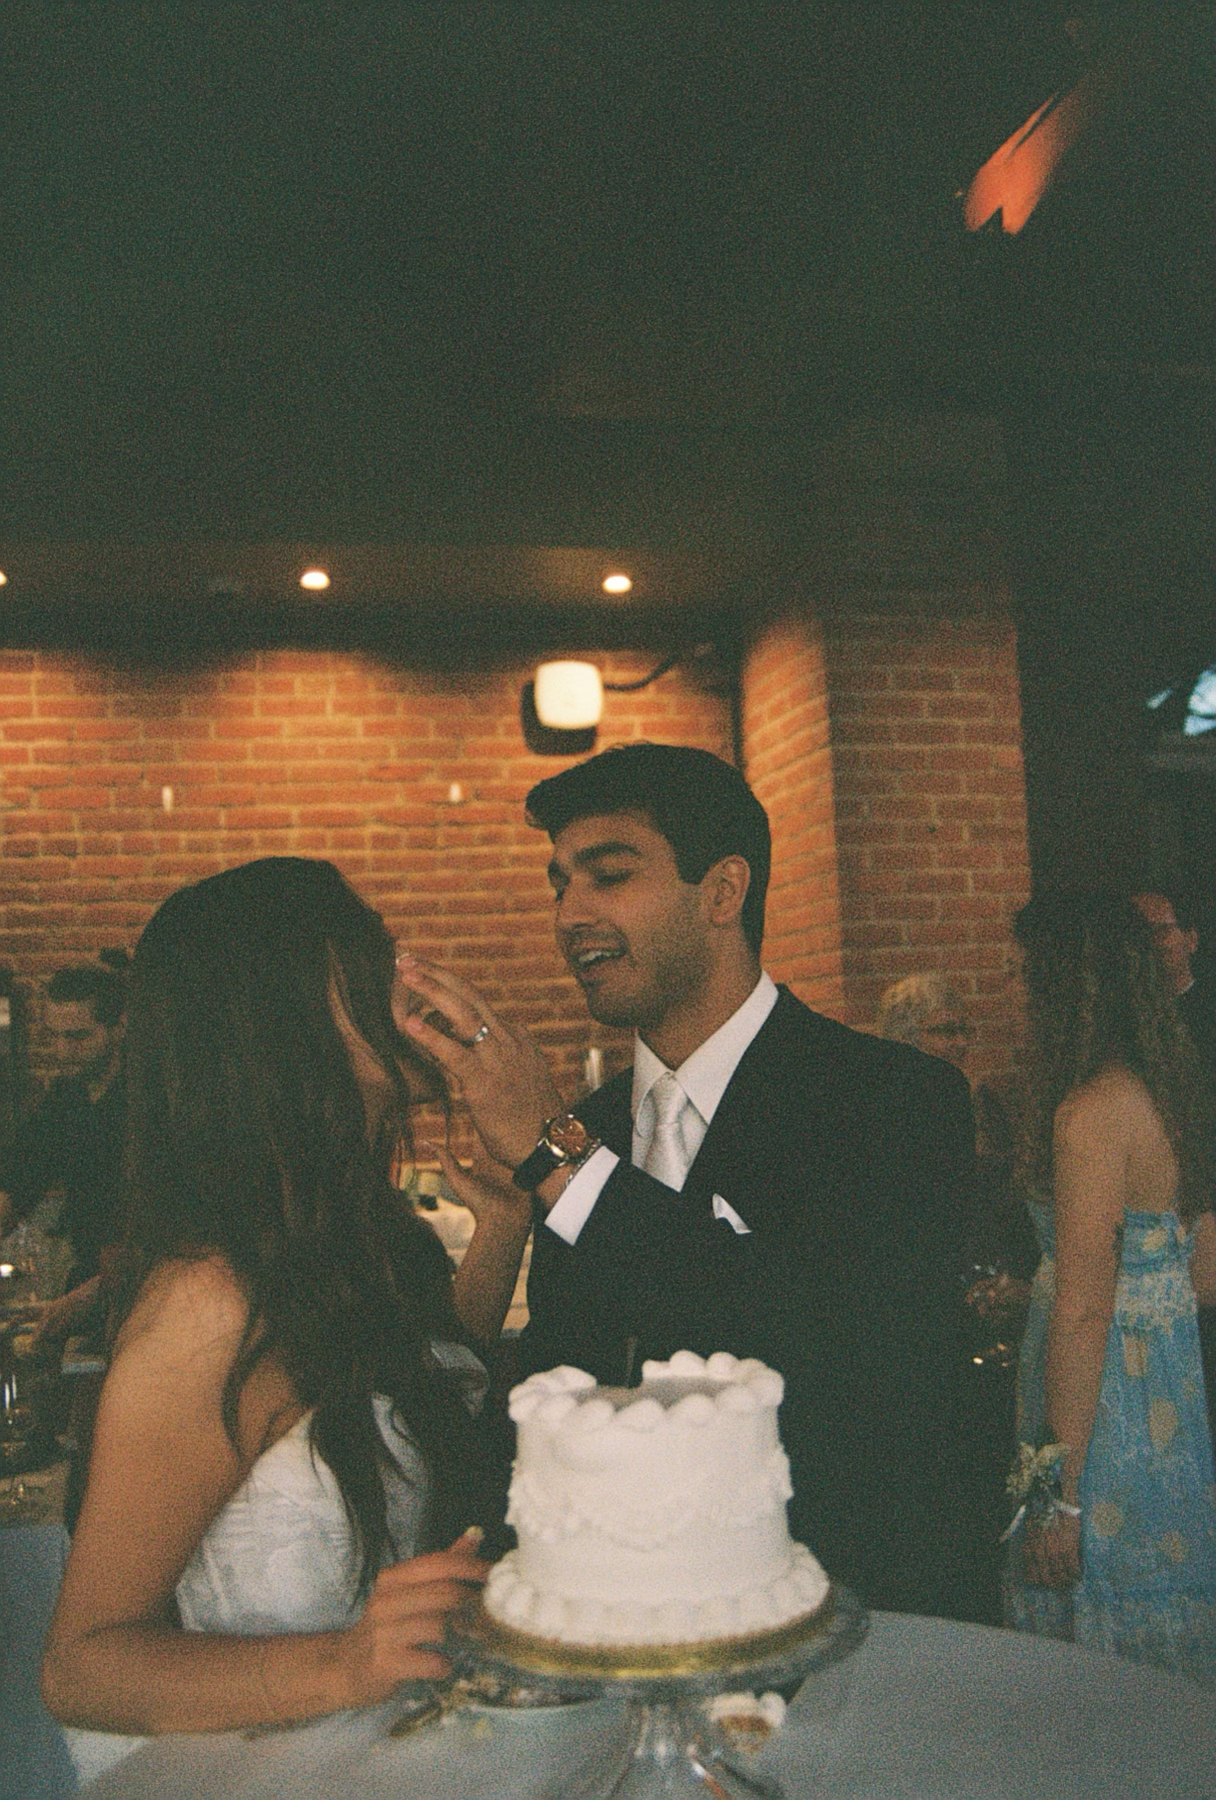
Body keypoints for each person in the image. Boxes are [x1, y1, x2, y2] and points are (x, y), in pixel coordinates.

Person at [398, 743, 978, 1618]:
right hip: (602, 1626)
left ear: (723, 891)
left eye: (610, 875)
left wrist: (553, 1157)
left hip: (837, 1627)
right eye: (560, 885)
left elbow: (821, 1348)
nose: (570, 915)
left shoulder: (892, 1099)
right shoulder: (586, 1132)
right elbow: (570, 1373)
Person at [41, 858, 533, 1781]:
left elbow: (415, 1393)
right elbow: (82, 1667)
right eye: (362, 978)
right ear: (277, 1026)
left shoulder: (349, 1232)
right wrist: (347, 1662)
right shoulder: (208, 1303)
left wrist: (505, 1227)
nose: (397, 998)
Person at [1003, 893, 1216, 1687]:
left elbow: (1085, 1310)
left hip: (1099, 1410)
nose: (1017, 998)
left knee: (1093, 1646)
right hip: (1165, 1396)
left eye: (1028, 982)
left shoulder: (1090, 1110)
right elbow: (1204, 1270)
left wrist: (1053, 1493)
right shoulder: (1170, 1089)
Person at [1133, 888, 1216, 1447]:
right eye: (1139, 936)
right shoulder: (1130, 1026)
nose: (1152, 946)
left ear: (1190, 939)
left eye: (1161, 930)